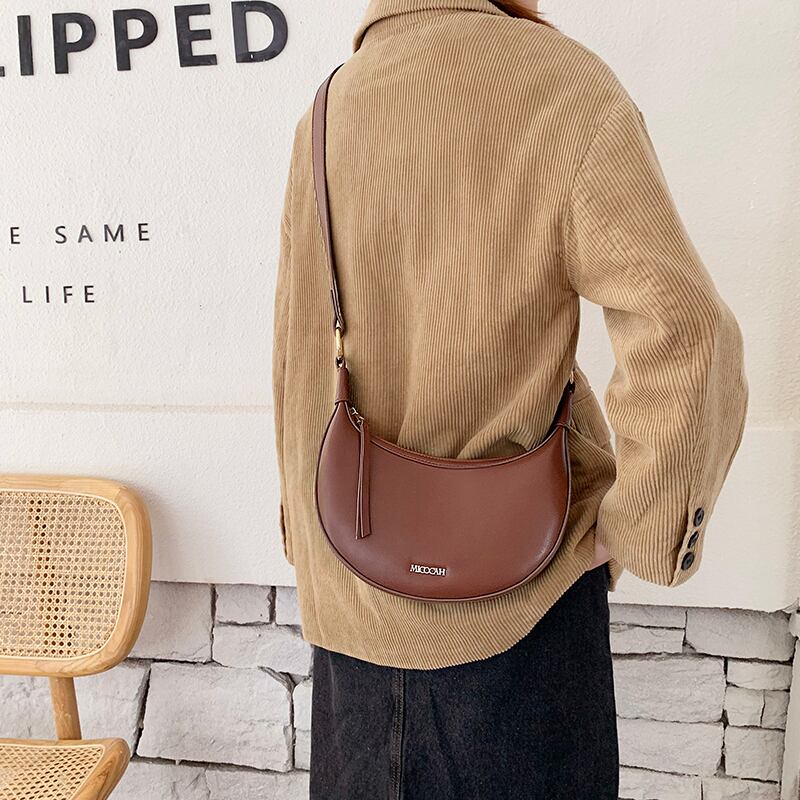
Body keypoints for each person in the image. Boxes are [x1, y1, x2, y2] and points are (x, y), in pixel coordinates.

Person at [271, 1, 748, 797]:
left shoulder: (328, 110)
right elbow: (687, 328)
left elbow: (299, 358)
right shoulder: (563, 87)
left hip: (353, 601)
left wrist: (311, 544)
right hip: (522, 607)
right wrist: (637, 527)